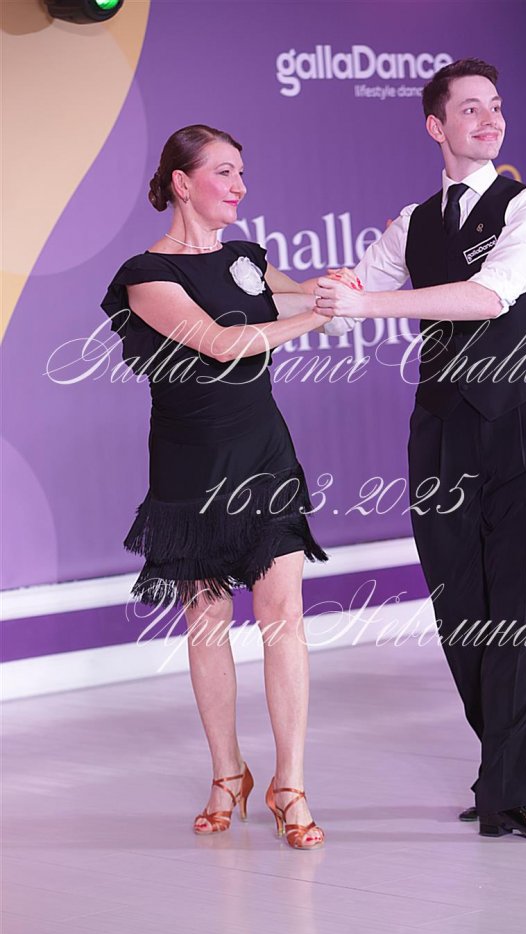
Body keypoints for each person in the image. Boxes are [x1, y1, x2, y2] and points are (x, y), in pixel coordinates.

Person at [315, 59, 526, 842]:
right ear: (437, 126)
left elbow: (490, 296)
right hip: (440, 439)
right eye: (470, 109)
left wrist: (367, 302)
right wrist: (264, 285)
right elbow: (344, 299)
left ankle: (510, 788)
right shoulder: (413, 222)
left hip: (522, 434)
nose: (490, 119)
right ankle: (502, 770)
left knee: (520, 615)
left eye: (495, 105)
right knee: (463, 615)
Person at [101, 124, 338, 849]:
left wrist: (344, 282)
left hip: (264, 454)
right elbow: (222, 343)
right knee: (207, 620)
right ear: (182, 182)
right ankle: (227, 772)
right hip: (192, 467)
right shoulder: (147, 274)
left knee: (283, 614)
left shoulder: (246, 257)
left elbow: (298, 288)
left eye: (242, 172)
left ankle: (289, 782)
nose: (240, 185)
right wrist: (317, 317)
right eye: (225, 172)